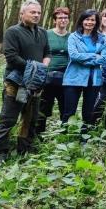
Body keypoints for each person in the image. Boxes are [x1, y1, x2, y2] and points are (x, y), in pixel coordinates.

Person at [0, 0, 50, 162]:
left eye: (38, 12)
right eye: (32, 12)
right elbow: (11, 57)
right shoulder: (12, 32)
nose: (36, 15)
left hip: (35, 84)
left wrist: (42, 67)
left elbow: (47, 53)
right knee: (9, 118)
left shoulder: (43, 32)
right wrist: (35, 68)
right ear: (22, 14)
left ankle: (25, 148)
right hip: (17, 82)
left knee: (31, 118)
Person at [62, 10, 106, 132]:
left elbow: (104, 59)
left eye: (92, 20)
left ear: (96, 22)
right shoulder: (73, 37)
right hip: (74, 78)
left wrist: (84, 58)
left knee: (88, 112)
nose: (89, 22)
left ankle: (84, 138)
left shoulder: (102, 38)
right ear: (82, 21)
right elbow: (73, 55)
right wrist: (94, 56)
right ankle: (63, 136)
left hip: (93, 80)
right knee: (69, 111)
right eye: (87, 19)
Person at [37, 7, 70, 135]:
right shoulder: (46, 34)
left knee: (65, 105)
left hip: (66, 76)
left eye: (65, 18)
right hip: (48, 74)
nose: (63, 20)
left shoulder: (71, 36)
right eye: (60, 18)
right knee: (44, 105)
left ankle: (64, 134)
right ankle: (39, 133)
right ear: (54, 20)